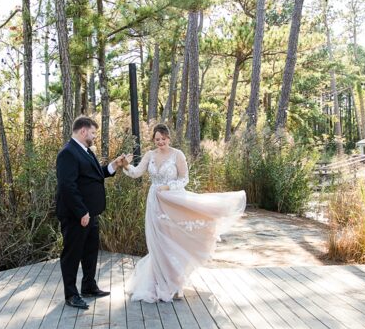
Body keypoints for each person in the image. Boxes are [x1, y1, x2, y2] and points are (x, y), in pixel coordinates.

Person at [121, 124, 246, 303]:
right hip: (155, 201)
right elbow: (136, 173)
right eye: (157, 139)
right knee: (157, 242)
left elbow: (184, 178)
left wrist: (169, 186)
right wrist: (125, 164)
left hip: (173, 200)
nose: (160, 142)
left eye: (163, 139)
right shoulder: (149, 155)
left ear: (168, 138)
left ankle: (174, 283)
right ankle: (158, 281)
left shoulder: (177, 154)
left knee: (172, 240)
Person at [55, 116, 129, 310]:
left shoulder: (86, 151)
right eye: (94, 133)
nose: (95, 136)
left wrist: (115, 165)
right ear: (83, 131)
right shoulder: (68, 153)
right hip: (76, 216)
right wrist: (81, 212)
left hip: (91, 213)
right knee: (72, 255)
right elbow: (67, 186)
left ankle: (88, 285)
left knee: (89, 252)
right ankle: (71, 295)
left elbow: (97, 174)